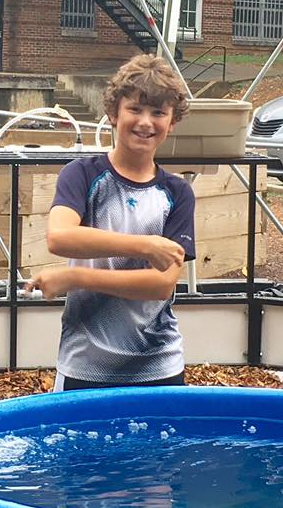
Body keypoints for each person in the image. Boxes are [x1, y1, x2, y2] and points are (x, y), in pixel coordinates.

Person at [31, 53, 197, 389]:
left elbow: (162, 284)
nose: (145, 122)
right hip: (85, 363)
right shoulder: (82, 174)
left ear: (172, 122)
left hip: (158, 363)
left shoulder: (177, 192)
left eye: (158, 113)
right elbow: (60, 237)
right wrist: (145, 246)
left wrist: (75, 277)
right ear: (113, 113)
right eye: (135, 109)